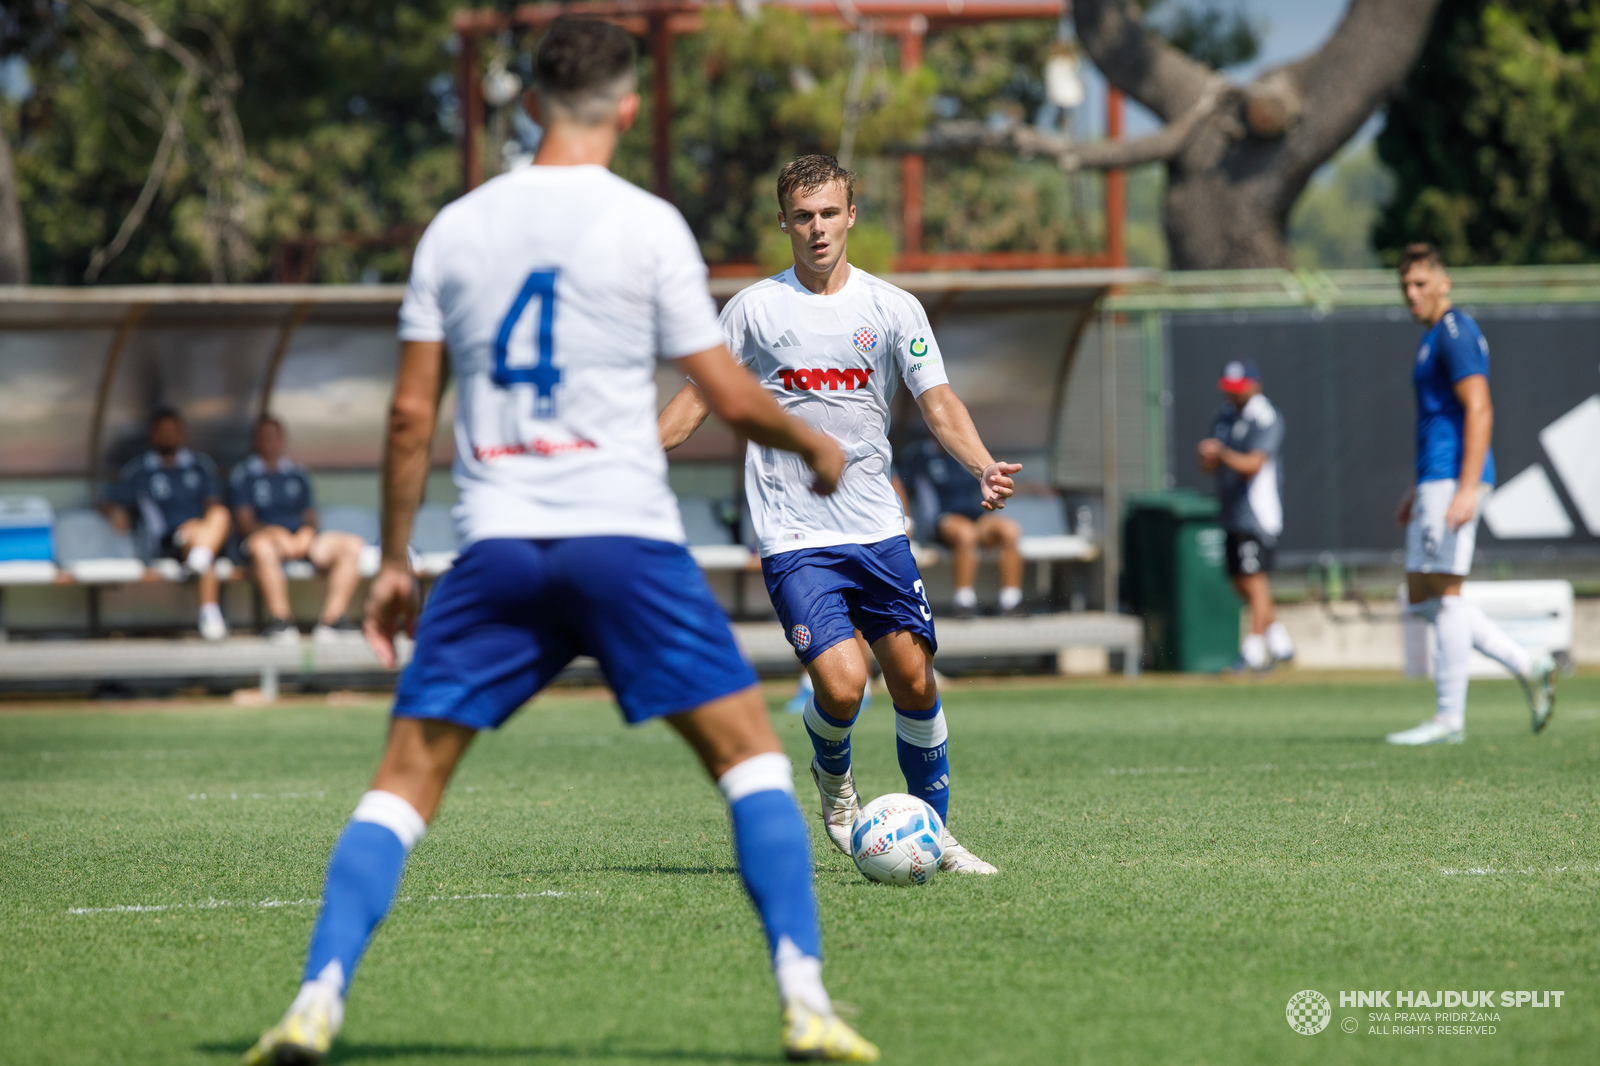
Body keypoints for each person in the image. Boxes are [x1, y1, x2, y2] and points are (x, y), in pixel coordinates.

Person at [243, 21, 876, 1065]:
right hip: (623, 539)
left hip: (497, 548)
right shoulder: (647, 226)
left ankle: (316, 997)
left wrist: (396, 560)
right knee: (752, 765)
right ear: (626, 109)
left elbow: (409, 419)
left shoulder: (453, 230)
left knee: (402, 783)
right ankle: (805, 1002)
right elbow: (719, 389)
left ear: (530, 104)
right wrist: (806, 439)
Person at [659, 154, 1016, 877]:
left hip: (878, 528)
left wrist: (981, 463)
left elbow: (936, 400)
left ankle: (935, 838)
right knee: (844, 682)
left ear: (851, 215)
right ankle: (833, 776)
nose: (817, 228)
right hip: (796, 534)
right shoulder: (755, 310)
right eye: (803, 216)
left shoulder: (892, 308)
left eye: (829, 213)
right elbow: (698, 400)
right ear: (783, 222)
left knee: (915, 681)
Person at [1385, 244, 1557, 745]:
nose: (1412, 294)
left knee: (1447, 594)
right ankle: (1528, 663)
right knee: (1423, 598)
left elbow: (1479, 408)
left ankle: (1448, 720)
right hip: (1433, 480)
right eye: (1406, 286)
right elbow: (1442, 420)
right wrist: (1416, 489)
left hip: (1452, 480)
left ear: (1444, 283)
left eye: (1420, 284)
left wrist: (1465, 487)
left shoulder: (1456, 331)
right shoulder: (1432, 337)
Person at [229, 415, 366, 646]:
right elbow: (245, 523)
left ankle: (331, 621)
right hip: (265, 540)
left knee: (352, 546)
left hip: (299, 539)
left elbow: (310, 517)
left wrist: (306, 534)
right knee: (262, 548)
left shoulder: (297, 473)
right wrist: (277, 534)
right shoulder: (244, 474)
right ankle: (281, 621)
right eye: (264, 437)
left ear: (282, 439)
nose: (269, 441)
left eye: (274, 436)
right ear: (256, 441)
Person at [1197, 359, 1295, 671]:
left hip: (1256, 514)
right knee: (1238, 580)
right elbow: (1209, 467)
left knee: (1254, 582)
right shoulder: (1224, 416)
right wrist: (1209, 457)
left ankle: (1252, 652)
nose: (1233, 396)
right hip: (1230, 511)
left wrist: (1222, 454)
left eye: (1238, 390)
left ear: (1255, 385)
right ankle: (1281, 644)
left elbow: (1253, 464)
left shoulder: (1265, 417)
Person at [101, 407, 231, 641]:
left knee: (220, 515)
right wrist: (117, 511)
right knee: (203, 551)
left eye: (173, 431)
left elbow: (213, 503)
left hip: (201, 534)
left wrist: (198, 526)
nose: (168, 436)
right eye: (162, 432)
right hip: (167, 539)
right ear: (153, 435)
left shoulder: (199, 465)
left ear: (182, 434)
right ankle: (209, 609)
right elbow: (109, 501)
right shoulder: (141, 470)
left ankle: (198, 562)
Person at [897, 434, 1026, 618]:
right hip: (942, 519)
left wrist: (1028, 487)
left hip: (978, 517)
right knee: (966, 534)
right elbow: (899, 486)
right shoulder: (919, 457)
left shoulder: (966, 455)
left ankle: (1011, 602)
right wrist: (905, 522)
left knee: (1010, 530)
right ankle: (964, 603)